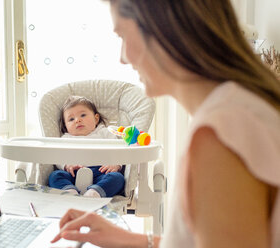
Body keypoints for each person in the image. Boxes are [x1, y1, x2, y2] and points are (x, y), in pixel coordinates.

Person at [51, 0, 280, 247]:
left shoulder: (222, 132)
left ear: (163, 30)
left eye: (123, 36)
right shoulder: (238, 107)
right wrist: (127, 238)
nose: (123, 58)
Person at [48, 95, 125, 198]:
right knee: (55, 176)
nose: (77, 120)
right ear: (65, 125)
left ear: (96, 118)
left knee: (117, 178)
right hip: (73, 174)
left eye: (83, 115)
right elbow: (57, 156)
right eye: (71, 119)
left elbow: (119, 150)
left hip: (101, 172)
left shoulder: (104, 133)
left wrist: (116, 164)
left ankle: (94, 193)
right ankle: (69, 192)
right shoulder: (66, 138)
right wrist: (66, 165)